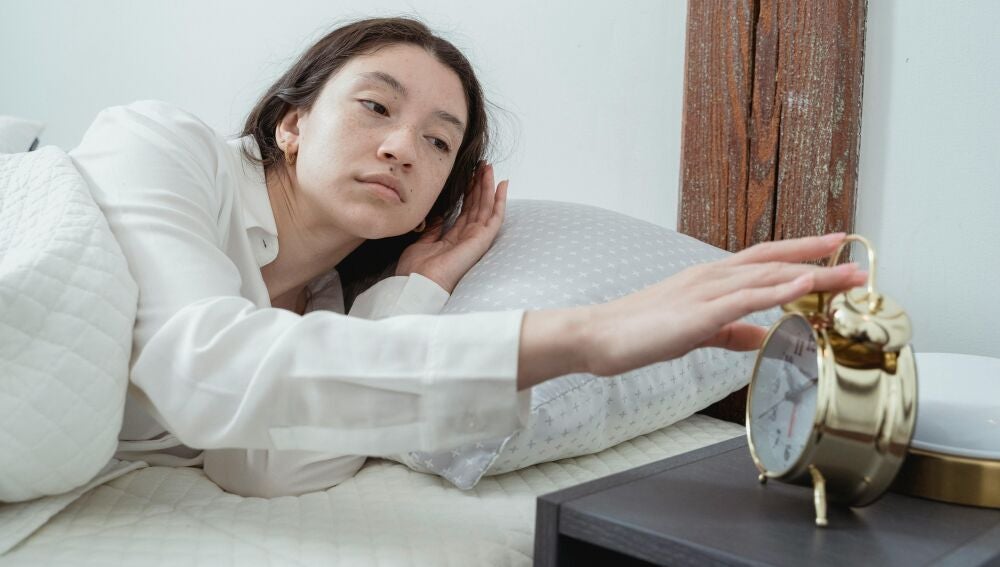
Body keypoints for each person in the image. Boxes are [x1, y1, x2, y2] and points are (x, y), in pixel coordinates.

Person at [69, 17, 867, 498]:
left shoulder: (330, 305)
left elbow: (263, 470)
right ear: (292, 122)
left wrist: (414, 291)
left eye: (438, 142)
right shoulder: (159, 145)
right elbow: (206, 367)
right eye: (375, 105)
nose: (400, 146)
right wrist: (584, 334)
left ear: (436, 198)